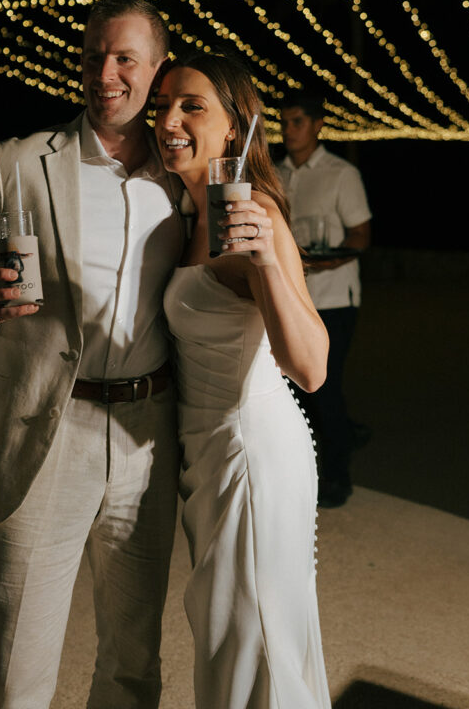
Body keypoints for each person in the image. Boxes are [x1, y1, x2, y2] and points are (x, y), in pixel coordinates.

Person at [0, 0, 184, 709]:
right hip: (45, 428)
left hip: (147, 437)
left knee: (133, 662)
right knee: (16, 660)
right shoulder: (17, 163)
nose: (105, 74)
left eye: (124, 58)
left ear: (156, 70)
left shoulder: (184, 176)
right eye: (92, 57)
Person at [153, 53, 331, 709]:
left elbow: (309, 367)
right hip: (204, 456)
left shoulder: (253, 211)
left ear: (235, 129)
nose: (168, 119)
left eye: (191, 105)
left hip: (250, 455)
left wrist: (264, 264)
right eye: (163, 105)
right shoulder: (184, 212)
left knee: (251, 644)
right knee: (227, 635)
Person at [277, 95, 372, 509]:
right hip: (289, 299)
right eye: (284, 122)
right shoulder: (275, 172)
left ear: (318, 125)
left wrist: (321, 258)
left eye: (297, 121)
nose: (288, 129)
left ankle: (337, 476)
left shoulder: (340, 173)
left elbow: (360, 237)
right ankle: (328, 448)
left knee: (324, 387)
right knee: (292, 388)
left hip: (333, 298)